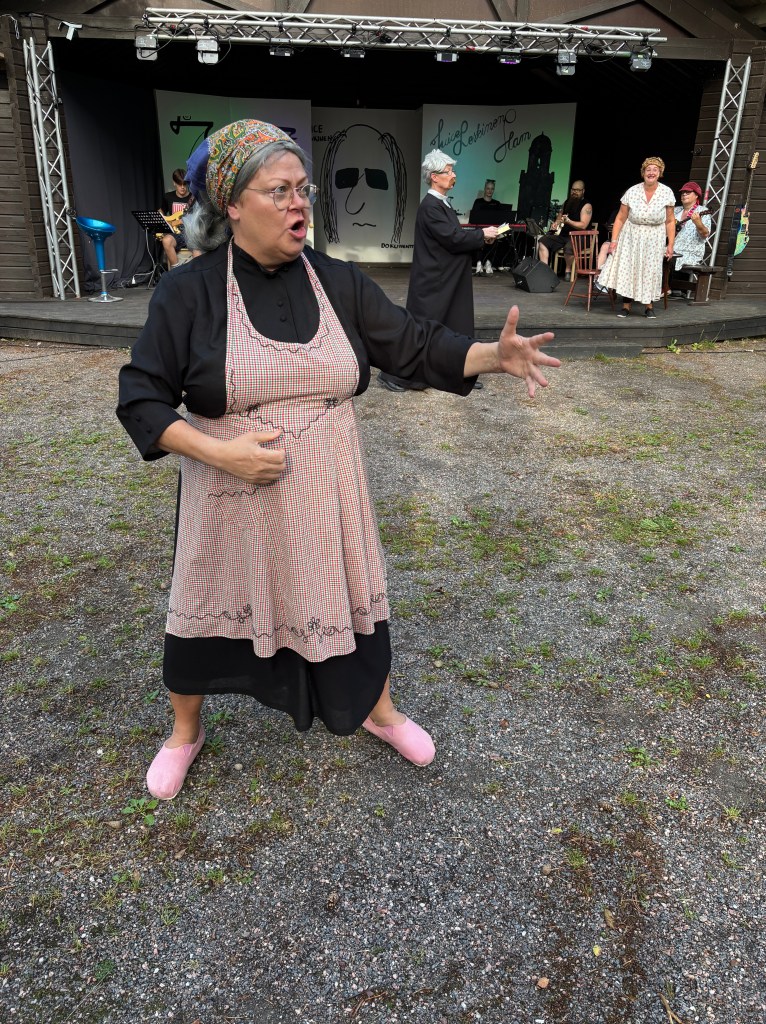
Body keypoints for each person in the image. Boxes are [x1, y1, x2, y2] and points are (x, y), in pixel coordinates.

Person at [116, 119, 560, 801]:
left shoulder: (337, 281)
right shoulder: (190, 292)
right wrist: (220, 453)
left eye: (303, 188)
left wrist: (492, 358)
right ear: (232, 203)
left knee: (354, 606)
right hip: (230, 494)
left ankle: (379, 712)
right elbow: (141, 398)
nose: (299, 203)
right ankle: (184, 731)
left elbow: (413, 344)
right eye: (279, 191)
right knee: (206, 608)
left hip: (329, 492)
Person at [379, 150, 498, 393]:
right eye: (449, 171)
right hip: (434, 282)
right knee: (422, 331)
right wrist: (481, 234)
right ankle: (395, 376)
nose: (453, 175)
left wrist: (480, 237)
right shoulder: (431, 206)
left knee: (455, 327)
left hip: (446, 279)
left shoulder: (441, 203)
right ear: (434, 177)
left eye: (453, 171)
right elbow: (452, 238)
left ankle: (459, 372)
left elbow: (453, 236)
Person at [599, 157, 675, 319]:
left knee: (650, 270)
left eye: (655, 169)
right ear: (643, 172)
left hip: (654, 237)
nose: (651, 172)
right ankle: (626, 306)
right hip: (631, 235)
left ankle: (649, 307)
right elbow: (620, 217)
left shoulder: (666, 192)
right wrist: (614, 241)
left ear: (660, 173)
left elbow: (670, 221)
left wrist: (670, 244)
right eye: (648, 169)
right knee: (629, 268)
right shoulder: (632, 191)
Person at [537, 180, 592, 276]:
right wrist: (556, 223)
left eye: (578, 190)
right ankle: (544, 271)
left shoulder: (586, 205)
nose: (575, 192)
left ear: (583, 191)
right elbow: (560, 215)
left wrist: (569, 221)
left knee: (569, 247)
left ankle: (568, 269)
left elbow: (583, 225)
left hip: (580, 237)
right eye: (573, 190)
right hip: (564, 235)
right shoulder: (567, 202)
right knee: (543, 241)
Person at [668, 181, 711, 290]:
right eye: (683, 192)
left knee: (669, 258)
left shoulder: (702, 211)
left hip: (690, 252)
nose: (684, 194)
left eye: (688, 192)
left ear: (696, 195)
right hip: (671, 248)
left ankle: (666, 287)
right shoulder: (676, 210)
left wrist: (698, 223)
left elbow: (705, 234)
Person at [160, 169, 195, 268]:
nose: (182, 187)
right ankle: (176, 271)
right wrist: (164, 221)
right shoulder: (168, 197)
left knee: (200, 243)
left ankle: (195, 271)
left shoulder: (193, 198)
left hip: (190, 232)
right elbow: (161, 211)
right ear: (174, 183)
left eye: (185, 184)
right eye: (179, 184)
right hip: (175, 233)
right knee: (166, 240)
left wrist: (178, 222)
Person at [469, 179, 502, 275]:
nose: (490, 191)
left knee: (494, 238)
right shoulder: (478, 202)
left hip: (493, 231)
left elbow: (499, 219)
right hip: (481, 230)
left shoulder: (497, 203)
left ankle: (488, 263)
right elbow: (473, 218)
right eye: (488, 188)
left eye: (492, 189)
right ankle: (479, 263)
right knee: (480, 240)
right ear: (485, 189)